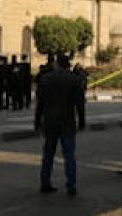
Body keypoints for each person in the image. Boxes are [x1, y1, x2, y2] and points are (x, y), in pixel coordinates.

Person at [35, 53, 86, 196]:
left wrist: (37, 121)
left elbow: (41, 103)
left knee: (48, 154)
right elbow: (79, 103)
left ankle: (45, 182)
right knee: (69, 155)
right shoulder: (74, 80)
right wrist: (82, 120)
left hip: (50, 121)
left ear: (57, 64)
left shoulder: (46, 79)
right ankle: (71, 185)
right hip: (67, 122)